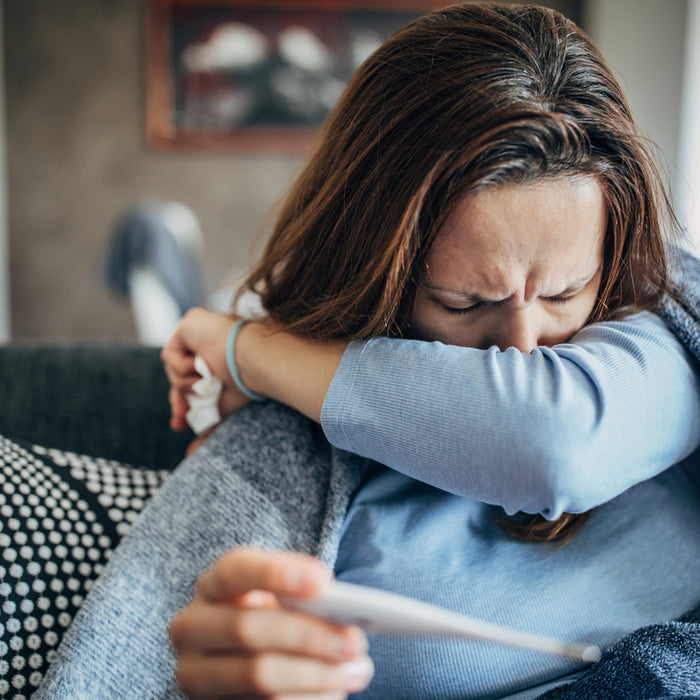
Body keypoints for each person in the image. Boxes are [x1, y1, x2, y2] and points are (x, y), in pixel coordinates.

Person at [29, 3, 700, 699]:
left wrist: (247, 349)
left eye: (566, 292)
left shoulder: (660, 334)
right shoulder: (292, 453)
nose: (524, 350)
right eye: (465, 303)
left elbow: (554, 442)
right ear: (379, 274)